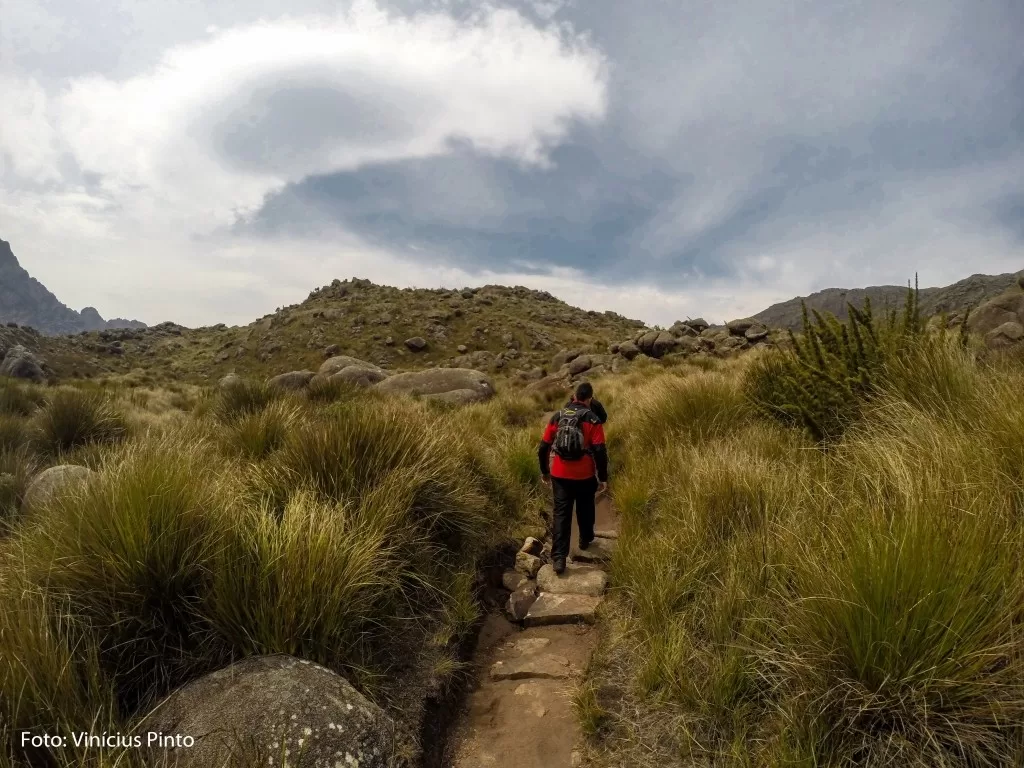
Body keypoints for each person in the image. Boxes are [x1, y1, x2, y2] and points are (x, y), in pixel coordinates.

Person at [538, 382, 609, 574]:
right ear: (590, 399)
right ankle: (585, 540)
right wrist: (603, 477)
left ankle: (559, 558)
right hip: (585, 474)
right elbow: (600, 451)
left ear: (574, 396)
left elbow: (543, 447)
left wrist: (545, 470)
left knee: (561, 513)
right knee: (585, 507)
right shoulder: (592, 420)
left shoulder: (558, 416)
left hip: (559, 474)